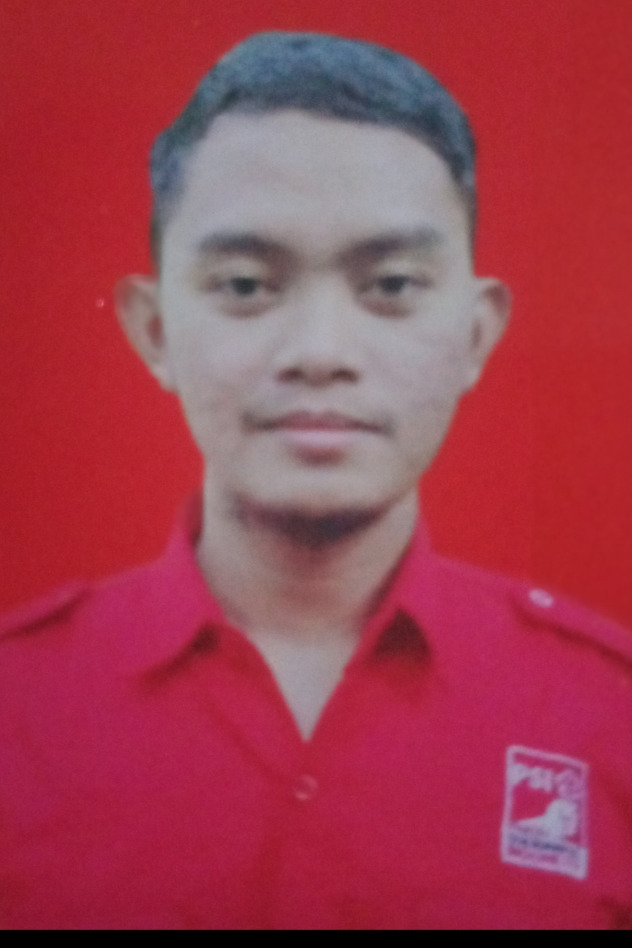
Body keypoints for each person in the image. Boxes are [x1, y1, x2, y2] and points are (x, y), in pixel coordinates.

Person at [1, 32, 630, 930]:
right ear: (154, 330)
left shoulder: (607, 715)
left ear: (476, 335)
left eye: (393, 284)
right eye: (247, 284)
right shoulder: (18, 707)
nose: (321, 353)